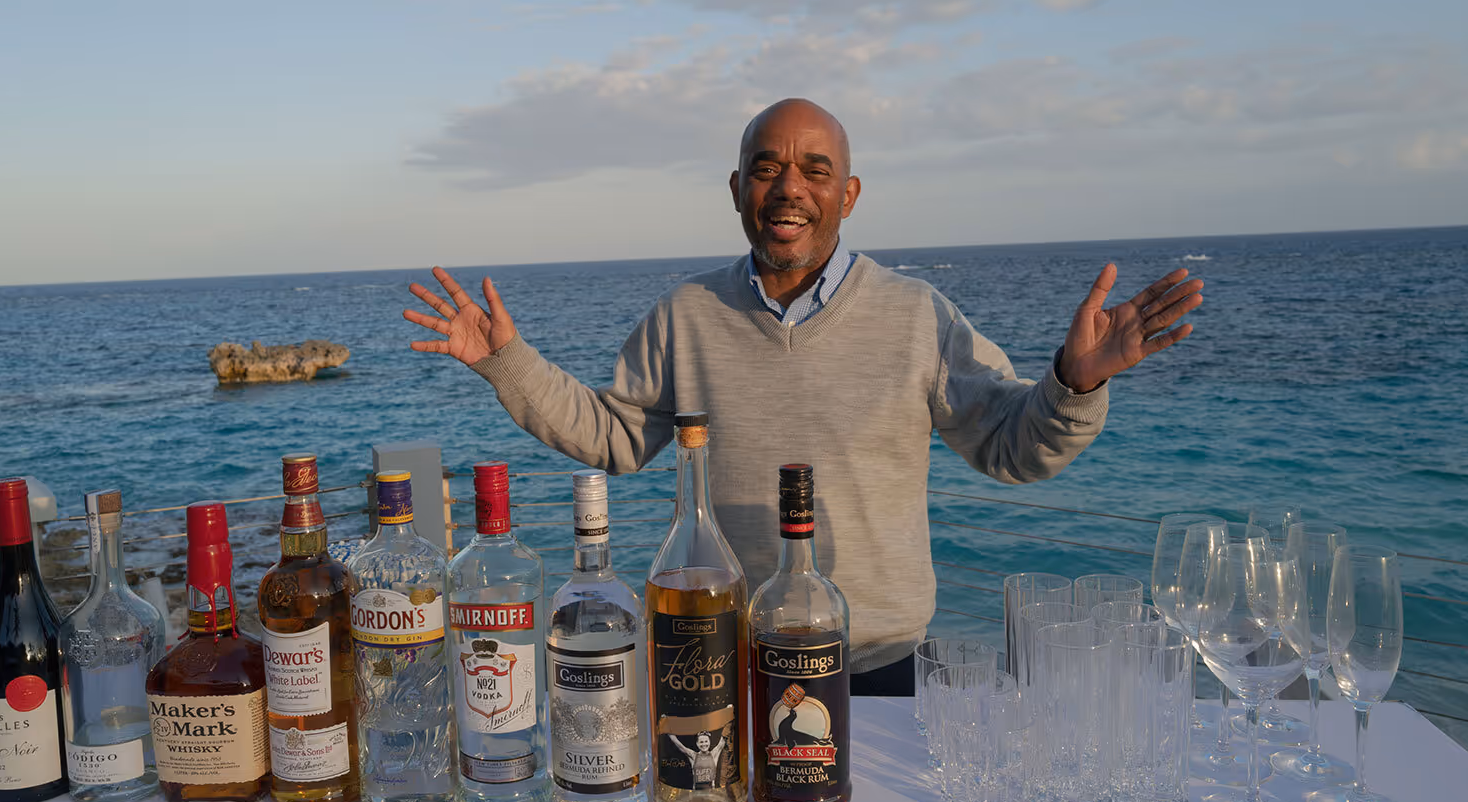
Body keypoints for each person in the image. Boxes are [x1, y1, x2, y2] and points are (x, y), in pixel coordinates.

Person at [403, 98, 1202, 695]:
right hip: (724, 661)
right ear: (737, 188)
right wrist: (505, 358)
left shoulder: (918, 314)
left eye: (815, 170)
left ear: (848, 195)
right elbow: (613, 435)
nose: (790, 188)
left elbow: (1011, 447)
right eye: (768, 168)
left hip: (881, 670)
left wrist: (1077, 378)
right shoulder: (688, 315)